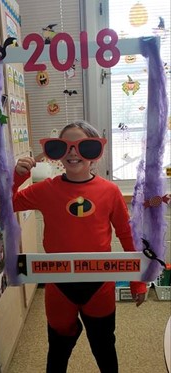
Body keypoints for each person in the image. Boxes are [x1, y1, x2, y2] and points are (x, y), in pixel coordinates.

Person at [13, 120, 147, 373]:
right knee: (58, 351)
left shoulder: (110, 191)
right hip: (58, 283)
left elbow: (127, 234)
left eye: (84, 146)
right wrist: (17, 176)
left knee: (104, 346)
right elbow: (6, 205)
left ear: (96, 153)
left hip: (99, 285)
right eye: (65, 147)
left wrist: (137, 280)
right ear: (57, 154)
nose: (74, 153)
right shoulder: (44, 190)